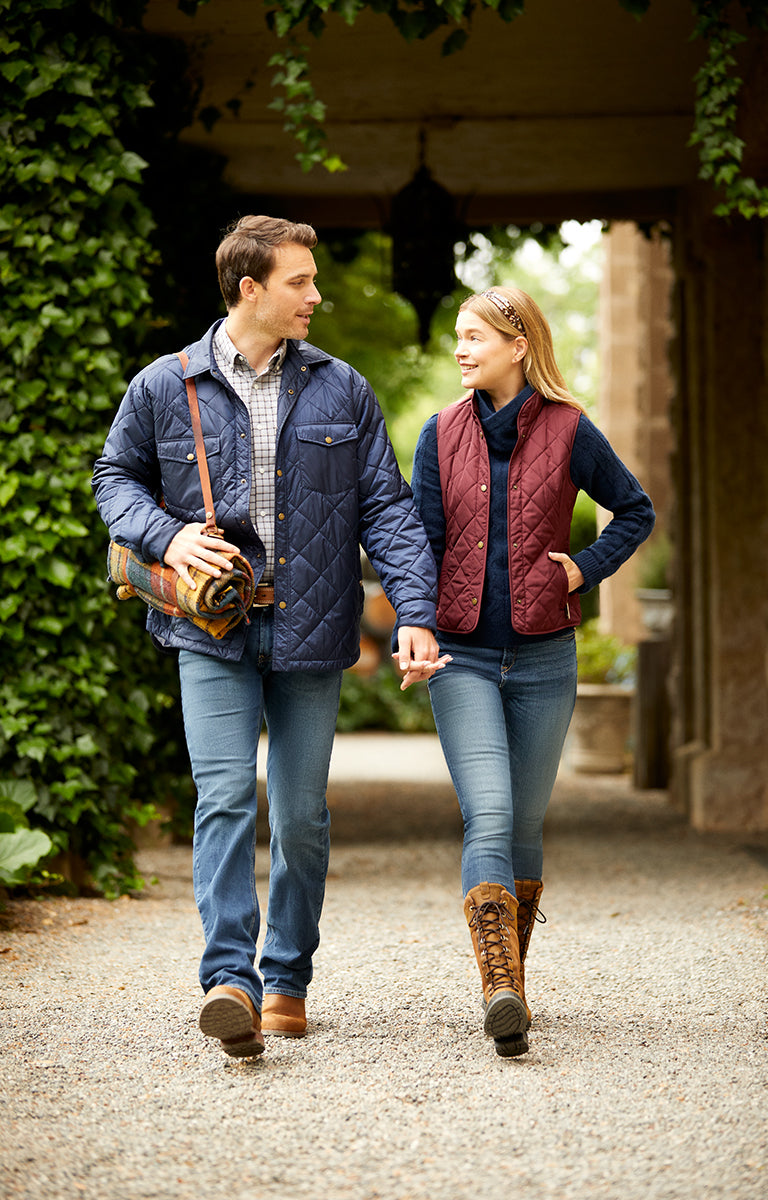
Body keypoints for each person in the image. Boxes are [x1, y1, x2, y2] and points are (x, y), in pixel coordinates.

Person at [93, 215, 447, 1059]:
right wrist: (166, 536)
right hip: (209, 628)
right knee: (221, 800)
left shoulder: (343, 388)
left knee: (298, 817)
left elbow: (388, 509)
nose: (316, 295)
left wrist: (417, 610)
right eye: (301, 281)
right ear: (250, 288)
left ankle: (287, 975)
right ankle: (230, 983)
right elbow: (115, 477)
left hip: (314, 627)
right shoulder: (162, 386)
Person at [410, 285, 655, 1058]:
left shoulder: (571, 429)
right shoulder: (438, 433)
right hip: (461, 654)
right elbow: (416, 543)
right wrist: (414, 628)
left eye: (474, 337)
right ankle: (500, 990)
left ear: (519, 345)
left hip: (547, 653)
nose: (460, 349)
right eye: (457, 336)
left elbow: (635, 509)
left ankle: (510, 980)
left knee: (523, 819)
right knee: (489, 813)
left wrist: (583, 570)